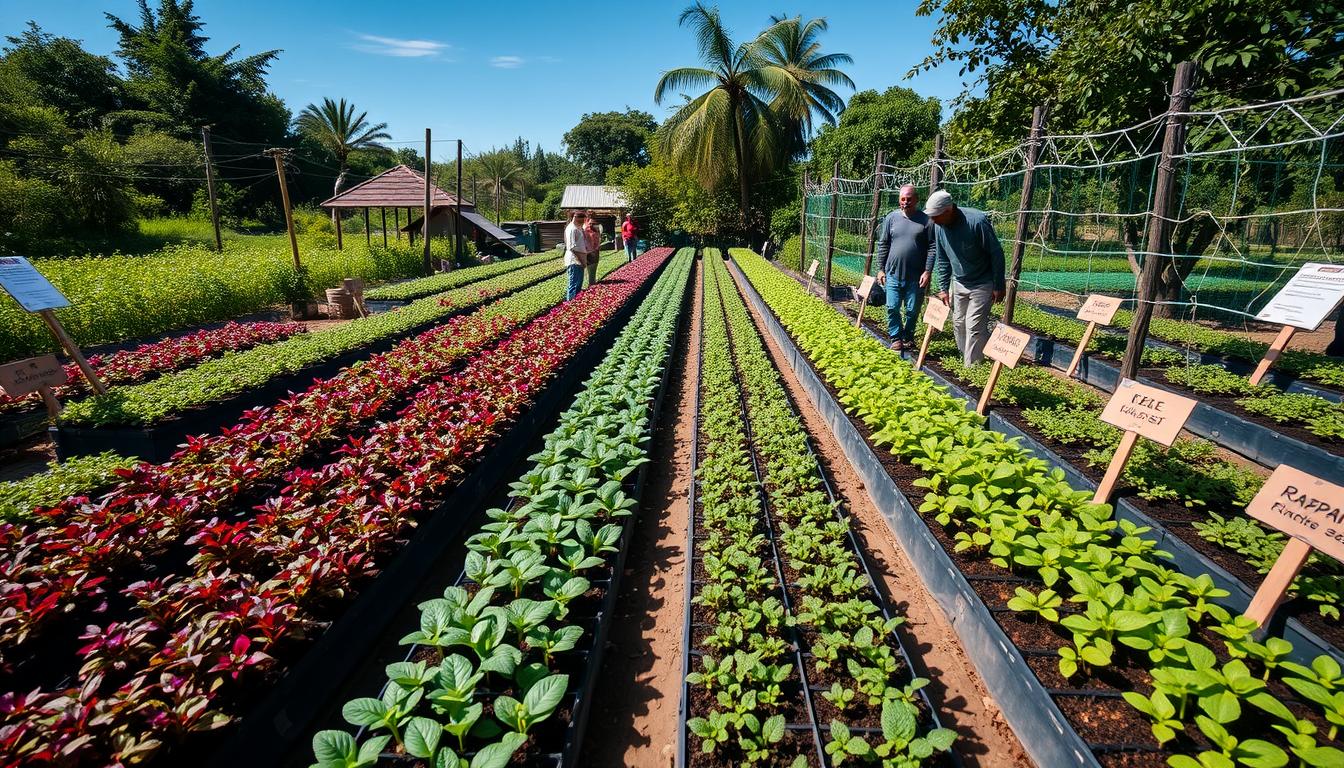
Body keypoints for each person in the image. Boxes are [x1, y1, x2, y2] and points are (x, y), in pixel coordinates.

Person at [927, 189, 1006, 366]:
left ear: (948, 210)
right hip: (959, 282)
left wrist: (998, 284)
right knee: (958, 322)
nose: (932, 220)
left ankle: (972, 366)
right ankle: (966, 357)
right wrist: (943, 288)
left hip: (982, 282)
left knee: (974, 326)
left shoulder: (976, 222)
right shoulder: (940, 227)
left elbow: (996, 253)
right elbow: (943, 259)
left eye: (935, 216)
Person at [876, 184, 936, 351]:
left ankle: (908, 337)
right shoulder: (891, 218)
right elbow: (883, 244)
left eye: (909, 199)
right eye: (903, 199)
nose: (906, 202)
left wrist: (928, 270)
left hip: (916, 276)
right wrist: (880, 268)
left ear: (916, 200)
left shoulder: (926, 221)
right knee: (892, 307)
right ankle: (895, 337)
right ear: (899, 200)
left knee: (912, 310)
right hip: (893, 273)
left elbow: (933, 247)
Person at [563, 211, 590, 300]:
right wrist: (582, 261)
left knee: (578, 285)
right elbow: (572, 248)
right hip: (574, 260)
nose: (584, 221)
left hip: (579, 261)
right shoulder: (572, 229)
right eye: (583, 219)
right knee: (573, 285)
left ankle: (576, 305)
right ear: (576, 217)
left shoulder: (578, 228)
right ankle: (570, 305)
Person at [583, 211, 601, 287]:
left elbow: (598, 237)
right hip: (589, 251)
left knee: (593, 267)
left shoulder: (595, 227)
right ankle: (591, 284)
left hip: (595, 250)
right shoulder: (585, 227)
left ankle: (592, 282)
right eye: (590, 215)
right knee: (590, 267)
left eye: (593, 215)